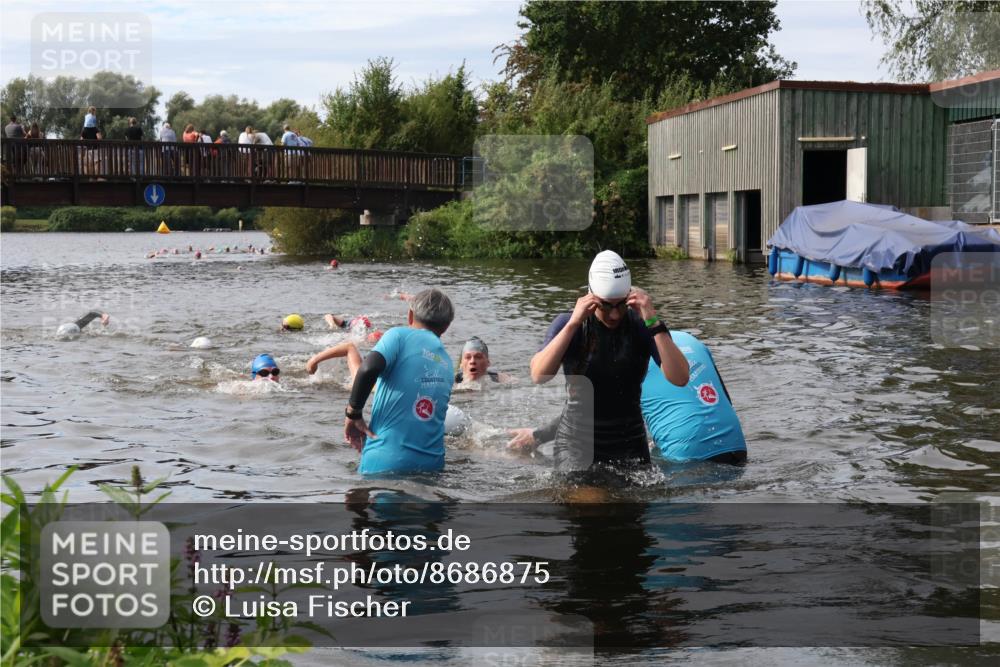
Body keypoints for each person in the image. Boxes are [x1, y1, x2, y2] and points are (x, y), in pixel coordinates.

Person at [529, 250, 688, 472]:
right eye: (605, 305)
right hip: (577, 442)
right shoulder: (569, 324)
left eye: (621, 304)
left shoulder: (642, 325)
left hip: (630, 441)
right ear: (591, 296)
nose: (614, 314)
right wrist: (573, 323)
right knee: (590, 501)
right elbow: (538, 375)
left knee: (634, 505)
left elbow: (680, 378)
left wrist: (653, 321)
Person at [509, 331, 747, 465]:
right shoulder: (690, 340)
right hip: (737, 447)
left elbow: (586, 412)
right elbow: (724, 400)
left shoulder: (631, 356)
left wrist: (538, 435)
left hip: (688, 457)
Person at [343, 289, 455, 475]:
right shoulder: (447, 363)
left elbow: (368, 368)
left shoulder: (398, 336)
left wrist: (353, 413)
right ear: (446, 327)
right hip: (432, 466)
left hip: (385, 461)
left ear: (410, 315)